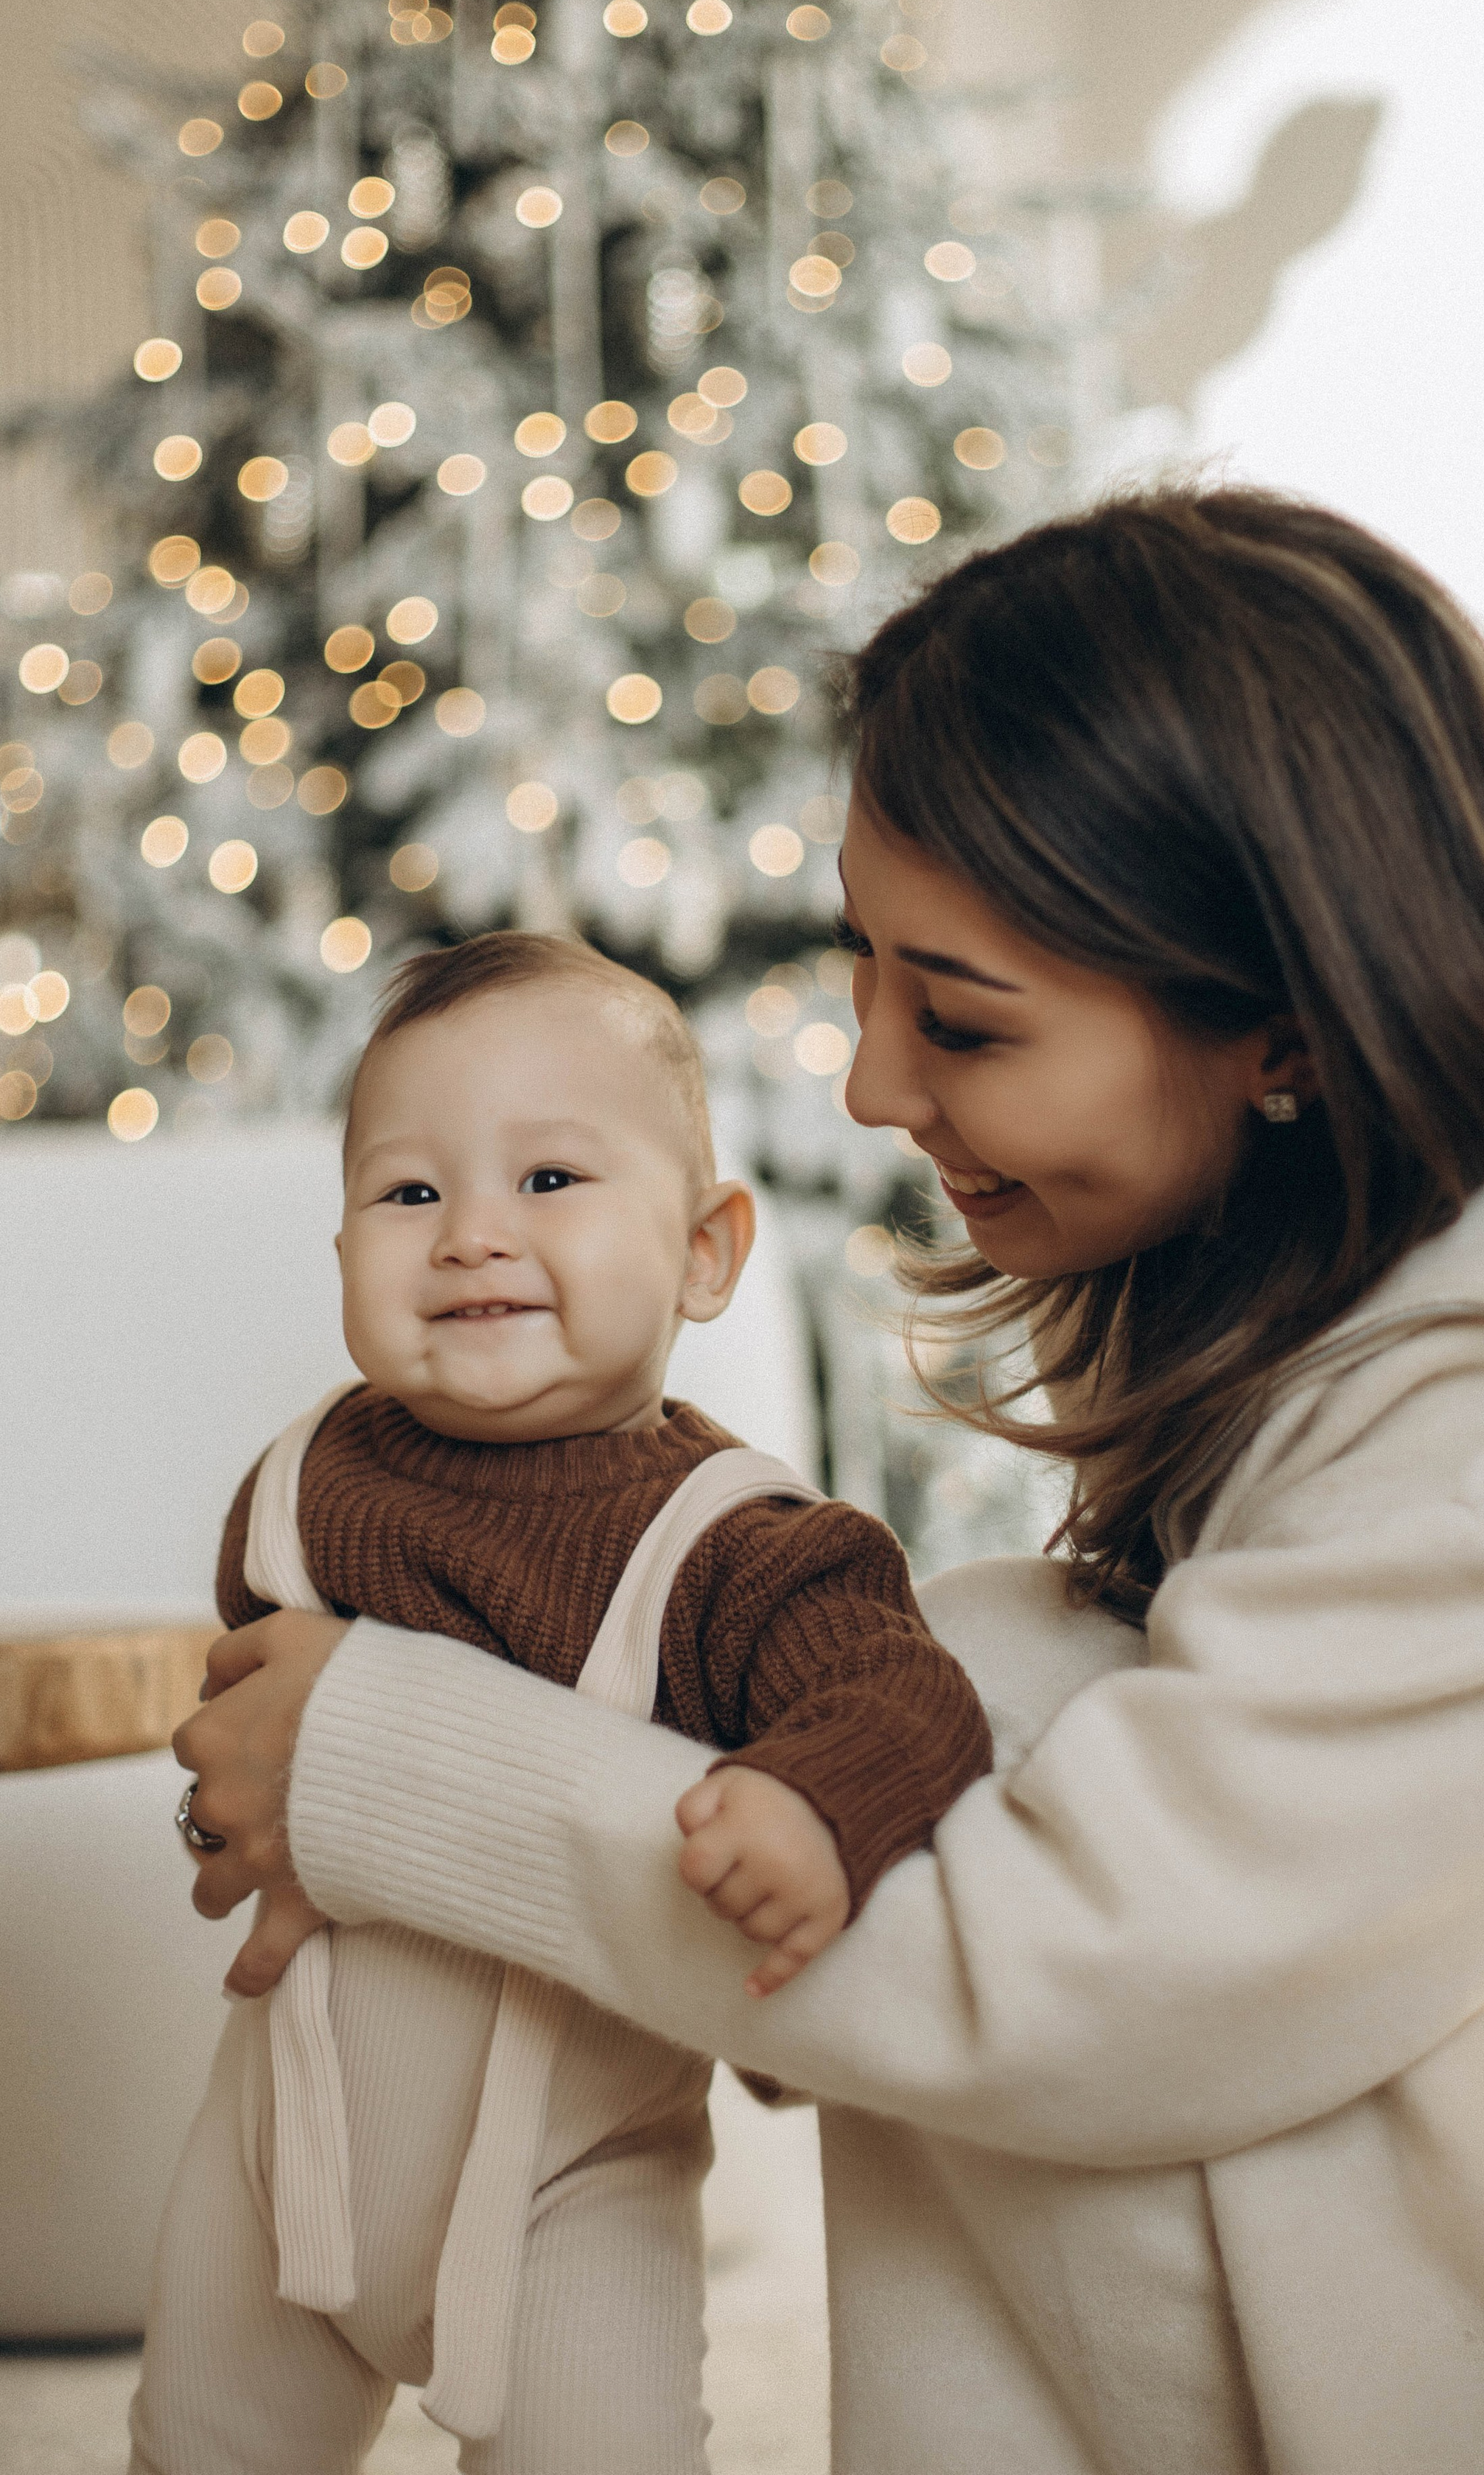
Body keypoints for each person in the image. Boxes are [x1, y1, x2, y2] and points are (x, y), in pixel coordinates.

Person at [175, 487, 1484, 2475]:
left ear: (1279, 1023)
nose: (870, 1084)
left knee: (967, 1785)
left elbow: (1075, 1977)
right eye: (869, 974)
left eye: (965, 1019)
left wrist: (388, 1766)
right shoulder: (1447, 1181)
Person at [133, 934, 990, 2475]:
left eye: (547, 1182)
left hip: (569, 2183)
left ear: (704, 1251)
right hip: (285, 2144)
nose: (469, 1237)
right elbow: (250, 1734)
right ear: (342, 1258)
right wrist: (235, 1829)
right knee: (199, 2445)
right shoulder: (301, 1490)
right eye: (410, 1195)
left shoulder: (742, 1547)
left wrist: (804, 1804)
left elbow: (900, 1695)